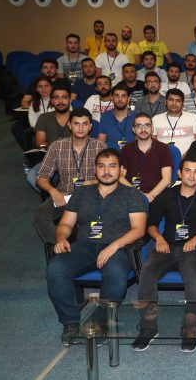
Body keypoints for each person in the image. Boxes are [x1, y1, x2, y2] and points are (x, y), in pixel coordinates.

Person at [47, 148, 147, 346]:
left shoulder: (131, 195)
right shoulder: (82, 193)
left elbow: (138, 229)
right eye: (101, 166)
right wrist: (61, 238)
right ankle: (70, 323)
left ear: (121, 170)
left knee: (116, 271)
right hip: (85, 246)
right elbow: (65, 224)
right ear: (95, 169)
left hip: (118, 247)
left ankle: (100, 320)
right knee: (55, 268)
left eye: (112, 166)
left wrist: (114, 246)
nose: (106, 171)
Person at [132, 155, 196, 353]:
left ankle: (190, 325)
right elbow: (151, 223)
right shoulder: (167, 194)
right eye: (188, 171)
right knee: (147, 272)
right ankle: (148, 326)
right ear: (179, 173)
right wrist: (159, 238)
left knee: (192, 274)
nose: (192, 175)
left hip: (194, 249)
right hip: (167, 246)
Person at [34, 109, 107, 244]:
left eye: (85, 124)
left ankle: (91, 248)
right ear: (69, 125)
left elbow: (108, 178)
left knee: (98, 222)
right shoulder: (57, 146)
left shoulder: (100, 147)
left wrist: (92, 182)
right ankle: (58, 247)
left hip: (92, 196)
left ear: (90, 126)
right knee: (41, 214)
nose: (80, 128)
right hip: (64, 196)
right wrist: (53, 191)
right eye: (76, 123)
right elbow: (41, 177)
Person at [120, 113, 172, 202]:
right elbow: (120, 177)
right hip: (132, 195)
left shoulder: (163, 148)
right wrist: (139, 195)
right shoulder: (126, 150)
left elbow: (167, 179)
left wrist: (149, 196)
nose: (143, 130)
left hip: (157, 195)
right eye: (139, 126)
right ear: (133, 129)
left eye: (147, 126)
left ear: (152, 129)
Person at [152, 88, 196, 155]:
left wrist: (186, 156)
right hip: (162, 158)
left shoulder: (193, 118)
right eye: (171, 100)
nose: (174, 103)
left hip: (189, 158)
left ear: (183, 103)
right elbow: (152, 143)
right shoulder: (156, 119)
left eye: (178, 101)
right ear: (165, 102)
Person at [98, 84, 134, 150]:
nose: (120, 99)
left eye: (123, 96)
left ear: (128, 99)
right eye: (117, 96)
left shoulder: (136, 117)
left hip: (131, 154)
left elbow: (139, 144)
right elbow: (101, 143)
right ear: (112, 98)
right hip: (110, 154)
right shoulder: (105, 116)